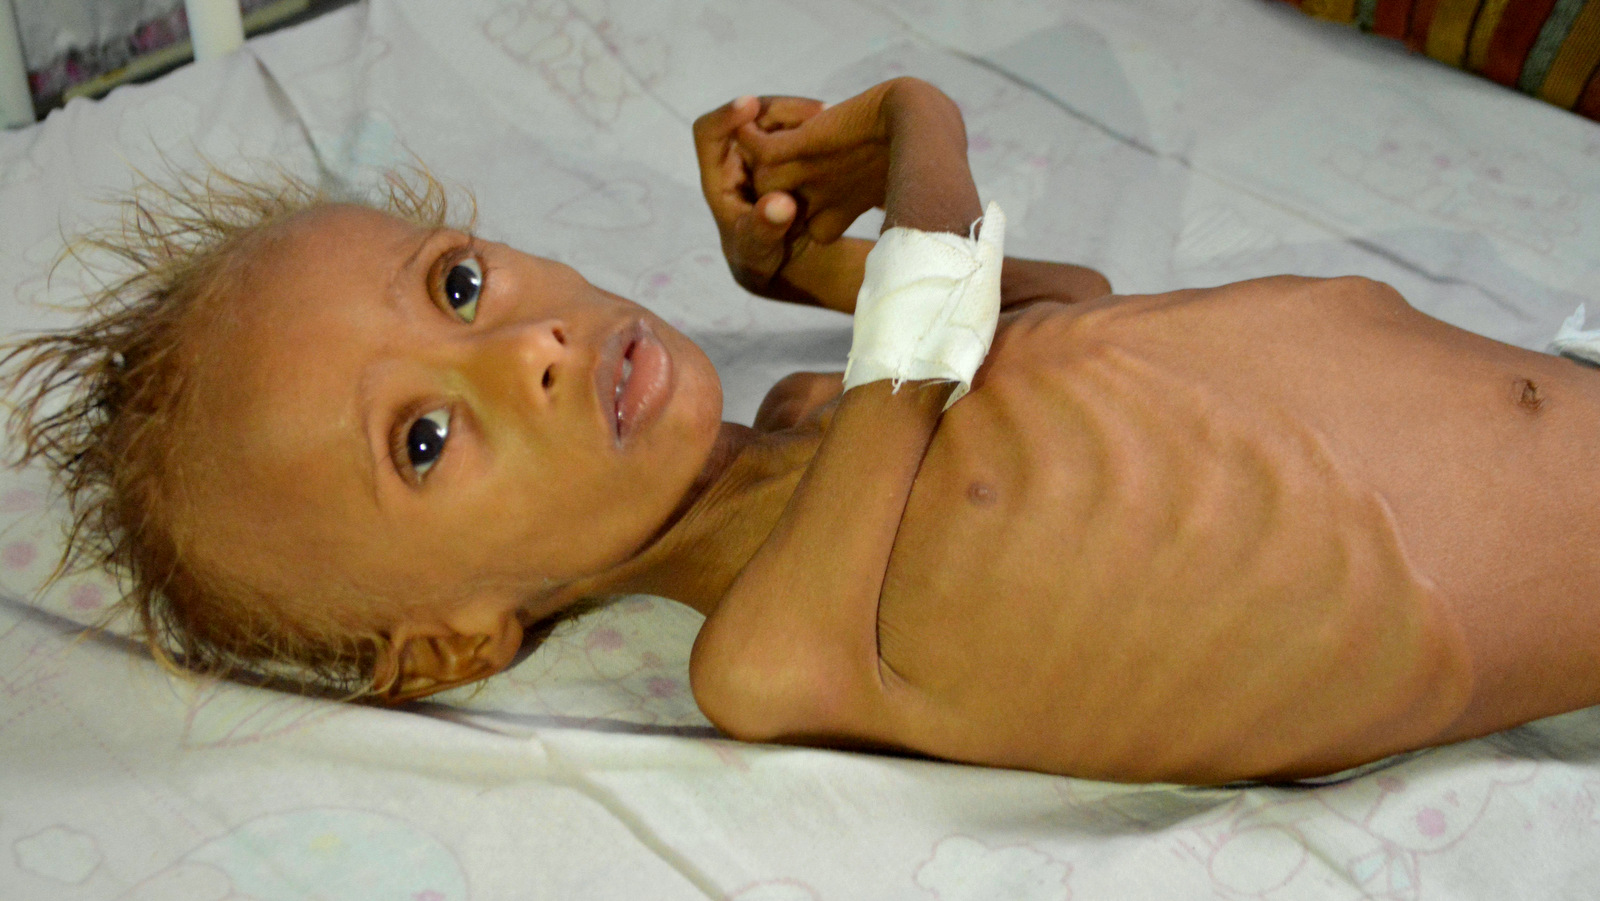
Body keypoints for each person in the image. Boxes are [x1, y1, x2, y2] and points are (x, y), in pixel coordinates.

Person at [5, 78, 1597, 784]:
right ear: (450, 643)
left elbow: (1066, 306)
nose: (532, 350)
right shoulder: (768, 655)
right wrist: (916, 121)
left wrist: (797, 268)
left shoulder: (815, 404)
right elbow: (925, 336)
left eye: (462, 282)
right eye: (423, 438)